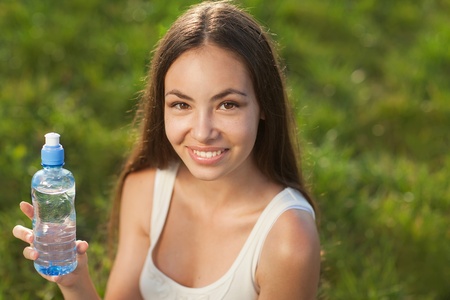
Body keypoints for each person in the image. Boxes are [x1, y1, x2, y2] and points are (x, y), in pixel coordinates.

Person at [13, 1, 321, 299]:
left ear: (263, 104)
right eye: (182, 104)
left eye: (228, 105)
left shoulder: (288, 240)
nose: (202, 132)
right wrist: (74, 282)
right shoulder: (146, 191)